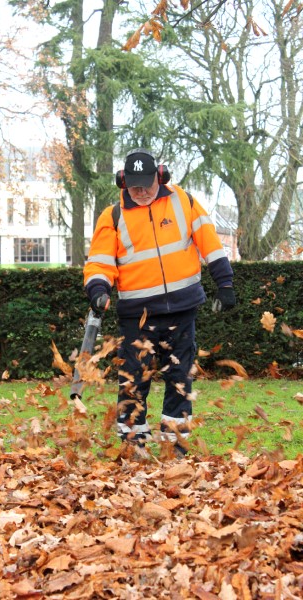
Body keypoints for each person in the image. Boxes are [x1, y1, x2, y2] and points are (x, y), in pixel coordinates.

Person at [83, 148, 236, 457]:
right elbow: (99, 263)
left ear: (161, 176)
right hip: (136, 317)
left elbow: (211, 244)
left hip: (183, 311)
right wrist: (98, 289)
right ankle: (133, 447)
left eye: (147, 185)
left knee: (180, 379)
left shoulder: (184, 202)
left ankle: (174, 448)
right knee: (133, 382)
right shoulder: (112, 216)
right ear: (123, 182)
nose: (141, 192)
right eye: (134, 186)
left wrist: (226, 283)